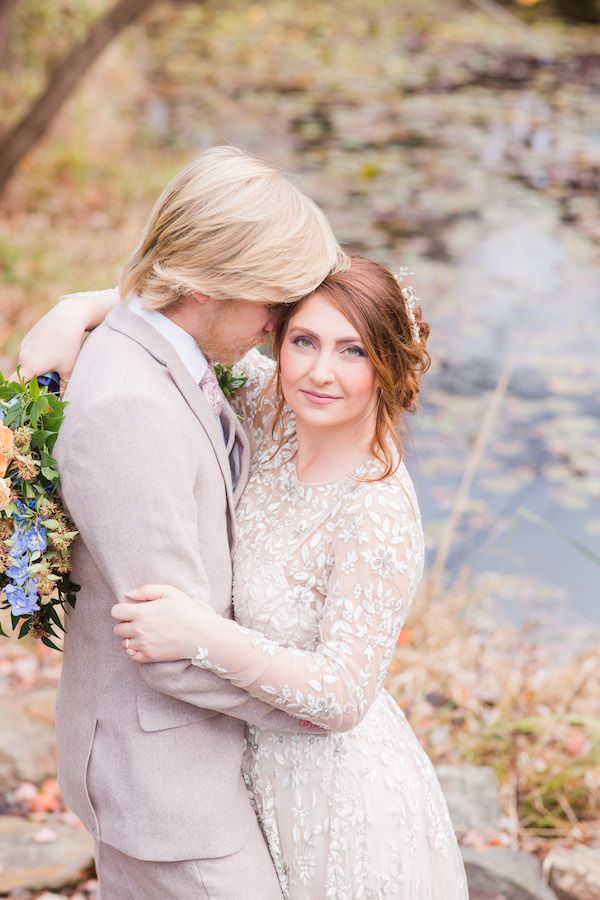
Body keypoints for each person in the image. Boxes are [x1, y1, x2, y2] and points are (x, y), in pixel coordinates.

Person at [20, 251, 469, 897]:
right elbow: (187, 316)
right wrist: (76, 310)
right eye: (304, 341)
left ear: (389, 363)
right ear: (275, 337)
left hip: (330, 792)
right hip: (235, 763)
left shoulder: (376, 509)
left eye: (353, 351)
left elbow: (344, 694)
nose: (320, 372)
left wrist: (200, 634)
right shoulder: (271, 403)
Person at [18, 145, 349, 900]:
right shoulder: (132, 409)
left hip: (184, 762)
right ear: (208, 282)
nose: (277, 326)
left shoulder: (160, 343)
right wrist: (316, 705)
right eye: (272, 299)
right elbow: (165, 644)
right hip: (163, 783)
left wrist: (82, 302)